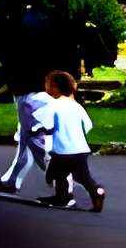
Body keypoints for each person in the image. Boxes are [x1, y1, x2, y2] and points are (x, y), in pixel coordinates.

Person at [35, 71, 100, 212]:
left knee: (56, 174)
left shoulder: (53, 105)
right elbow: (88, 126)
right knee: (82, 176)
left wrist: (35, 130)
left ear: (55, 87)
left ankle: (62, 197)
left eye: (48, 85)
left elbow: (45, 125)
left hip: (63, 150)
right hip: (81, 149)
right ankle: (96, 191)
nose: (46, 88)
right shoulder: (76, 106)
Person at [0, 75, 50, 196]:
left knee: (37, 144)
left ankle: (70, 184)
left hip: (31, 95)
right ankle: (11, 181)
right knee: (26, 142)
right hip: (31, 93)